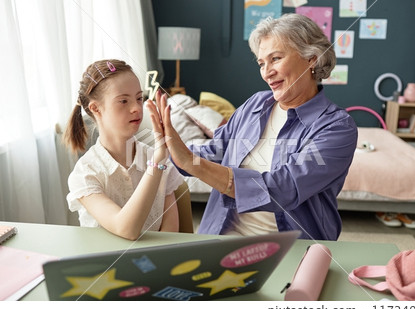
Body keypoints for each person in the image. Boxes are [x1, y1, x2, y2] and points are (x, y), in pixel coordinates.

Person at [150, 14, 358, 240]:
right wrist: (168, 148)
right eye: (261, 63)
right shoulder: (256, 104)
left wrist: (192, 163)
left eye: (276, 58)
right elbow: (216, 150)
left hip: (293, 248)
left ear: (312, 59)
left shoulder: (336, 127)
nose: (266, 72)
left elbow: (283, 189)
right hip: (223, 236)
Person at [63, 59, 184, 240]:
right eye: (123, 101)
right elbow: (126, 229)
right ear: (96, 108)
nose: (136, 108)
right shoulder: (85, 174)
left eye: (138, 98)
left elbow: (170, 234)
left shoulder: (154, 157)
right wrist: (157, 162)